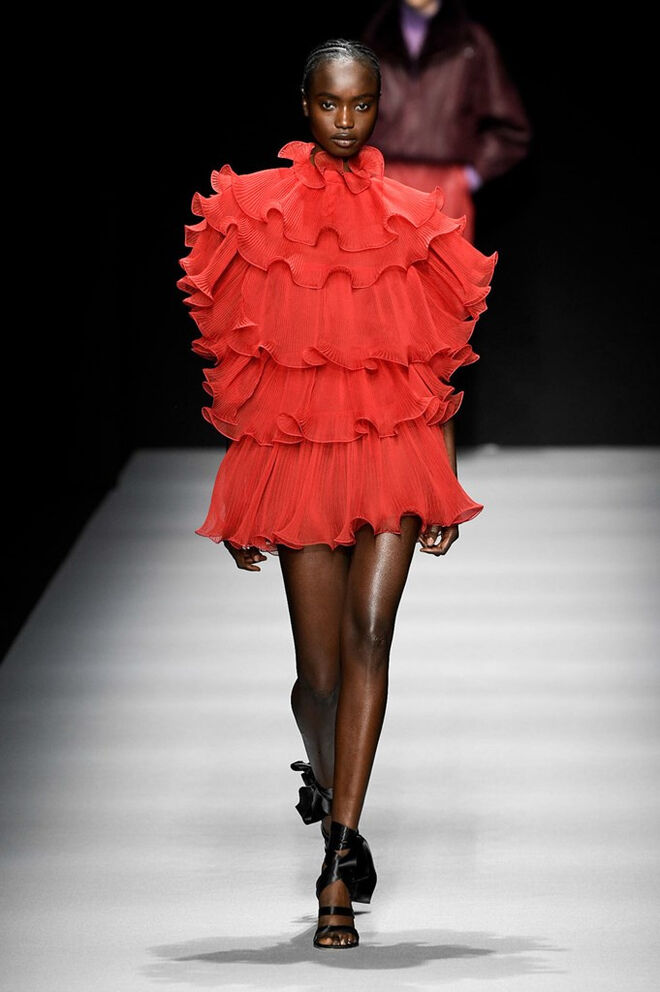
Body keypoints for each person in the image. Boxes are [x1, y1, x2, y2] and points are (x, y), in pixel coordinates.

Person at [177, 38, 496, 950]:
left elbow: (432, 362)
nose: (346, 121)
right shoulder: (255, 212)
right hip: (304, 458)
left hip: (395, 452)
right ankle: (323, 781)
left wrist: (442, 479)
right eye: (330, 104)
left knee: (370, 634)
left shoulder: (414, 218)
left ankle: (338, 860)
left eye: (361, 105)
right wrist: (245, 491)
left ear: (378, 107)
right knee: (317, 678)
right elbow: (247, 365)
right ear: (304, 105)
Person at [363, 0, 532, 242]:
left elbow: (511, 128)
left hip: (446, 189)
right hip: (384, 185)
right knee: (381, 264)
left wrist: (469, 176)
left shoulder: (471, 42)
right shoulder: (374, 40)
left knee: (444, 265)